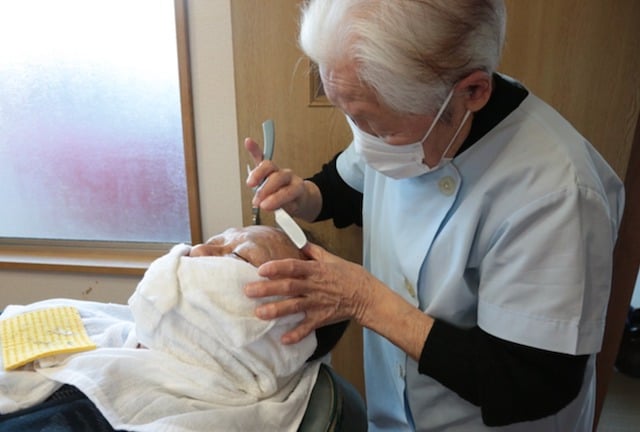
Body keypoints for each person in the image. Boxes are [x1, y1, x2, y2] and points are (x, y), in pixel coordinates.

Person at [243, 1, 625, 431]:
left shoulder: (559, 196)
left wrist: (366, 300)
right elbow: (348, 186)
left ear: (473, 92)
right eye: (352, 118)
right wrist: (304, 196)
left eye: (380, 128)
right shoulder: (410, 115)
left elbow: (530, 384)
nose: (366, 142)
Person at [0, 226, 348, 432]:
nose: (197, 249)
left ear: (283, 337)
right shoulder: (94, 321)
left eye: (239, 257)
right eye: (217, 238)